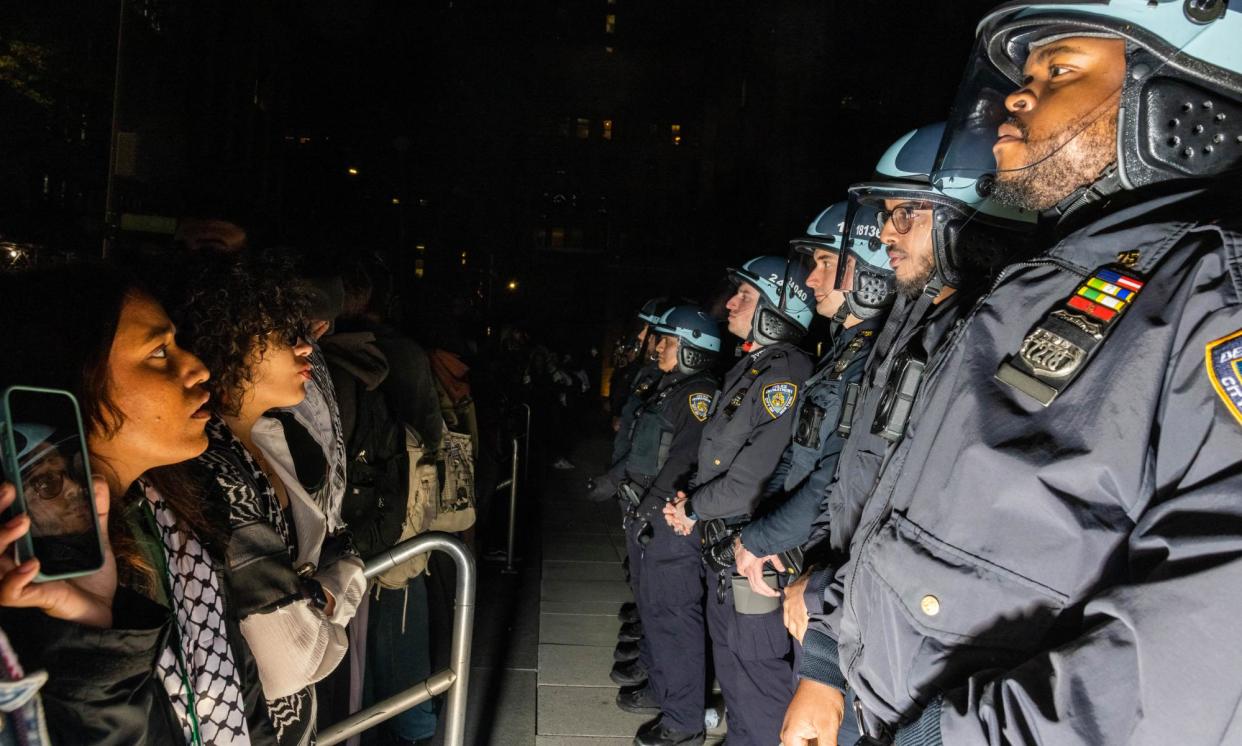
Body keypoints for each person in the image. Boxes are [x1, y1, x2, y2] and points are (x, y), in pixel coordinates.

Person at [786, 3, 1242, 743]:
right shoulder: (1046, 283)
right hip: (895, 707)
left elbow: (1212, 634)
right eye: (1022, 77)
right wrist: (832, 659)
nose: (1017, 97)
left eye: (1059, 70)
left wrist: (954, 737)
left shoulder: (1214, 292)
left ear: (1182, 100)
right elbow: (911, 507)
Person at [0, 264, 277, 745]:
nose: (197, 367)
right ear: (76, 381)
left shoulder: (174, 517)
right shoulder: (26, 574)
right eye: (157, 352)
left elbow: (244, 698)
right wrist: (93, 638)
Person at [174, 253, 366, 746]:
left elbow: (339, 558)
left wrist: (312, 598)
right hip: (251, 724)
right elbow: (291, 661)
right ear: (227, 345)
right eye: (284, 336)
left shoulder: (271, 439)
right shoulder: (212, 466)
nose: (306, 349)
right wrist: (331, 594)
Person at [662, 256, 814, 746]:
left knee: (757, 675)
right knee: (732, 664)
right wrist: (695, 504)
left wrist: (690, 509)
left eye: (745, 296)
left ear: (778, 307)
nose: (730, 303)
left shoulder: (785, 371)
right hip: (723, 546)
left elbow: (751, 480)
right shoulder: (753, 366)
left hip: (750, 553)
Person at [730, 201, 895, 602]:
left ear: (871, 271)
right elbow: (797, 452)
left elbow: (836, 474)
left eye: (826, 263)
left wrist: (762, 535)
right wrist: (763, 526)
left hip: (832, 555)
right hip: (797, 542)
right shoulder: (841, 350)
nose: (810, 280)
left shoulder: (876, 355)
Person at [610, 305, 721, 746]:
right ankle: (661, 691)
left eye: (669, 341)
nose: (658, 346)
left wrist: (650, 511)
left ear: (693, 350)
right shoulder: (667, 387)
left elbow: (683, 459)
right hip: (646, 517)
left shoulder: (698, 392)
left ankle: (684, 723)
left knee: (674, 621)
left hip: (668, 523)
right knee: (653, 614)